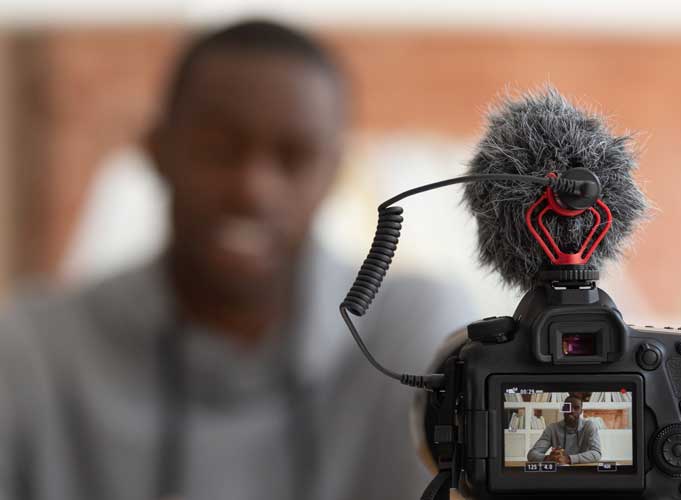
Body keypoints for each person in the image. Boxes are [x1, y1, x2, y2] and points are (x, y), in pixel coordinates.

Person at [0, 20, 475, 500]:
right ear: (157, 149)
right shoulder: (33, 353)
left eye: (293, 157)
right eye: (218, 150)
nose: (253, 189)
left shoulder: (412, 338)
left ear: (334, 173)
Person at [526, 396, 602, 465]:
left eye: (576, 408)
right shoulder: (552, 428)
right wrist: (548, 458)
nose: (572, 411)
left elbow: (597, 453)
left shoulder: (588, 426)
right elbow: (532, 454)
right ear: (563, 409)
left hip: (582, 471)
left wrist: (568, 459)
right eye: (568, 407)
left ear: (581, 411)